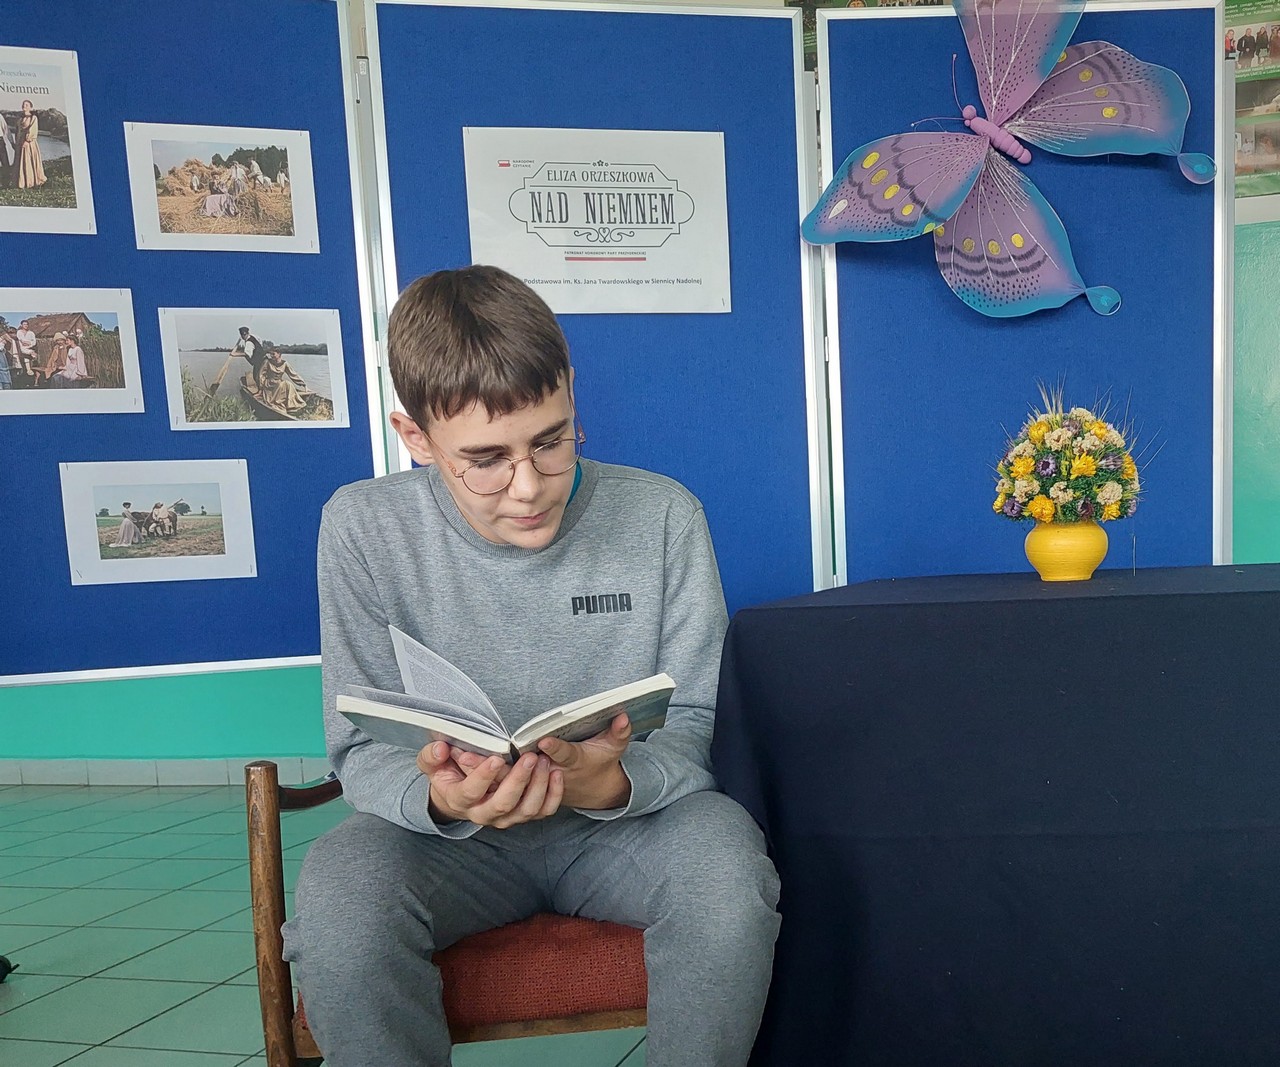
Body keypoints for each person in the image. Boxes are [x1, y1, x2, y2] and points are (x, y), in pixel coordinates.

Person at [281, 265, 781, 1067]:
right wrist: (440, 798)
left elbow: (696, 721)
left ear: (571, 393)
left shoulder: (664, 514)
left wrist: (610, 783)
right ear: (416, 437)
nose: (528, 487)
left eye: (551, 440)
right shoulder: (361, 527)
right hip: (449, 843)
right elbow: (359, 743)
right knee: (341, 890)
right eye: (485, 459)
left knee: (726, 866)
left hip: (628, 829)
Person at [258, 349, 310, 414]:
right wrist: (261, 387)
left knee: (288, 384)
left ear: (279, 354)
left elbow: (293, 374)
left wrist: (304, 385)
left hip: (279, 383)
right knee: (281, 384)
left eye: (273, 354)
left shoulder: (285, 363)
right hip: (269, 384)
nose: (271, 356)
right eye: (270, 354)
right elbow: (261, 375)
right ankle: (279, 403)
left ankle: (291, 406)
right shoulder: (267, 362)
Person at [16, 100, 46, 190]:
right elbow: (18, 131)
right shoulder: (20, 119)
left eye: (26, 105)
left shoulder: (33, 118)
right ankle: (22, 181)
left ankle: (31, 182)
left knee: (29, 161)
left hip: (29, 143)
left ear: (30, 107)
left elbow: (33, 130)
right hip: (20, 142)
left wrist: (27, 140)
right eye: (23, 104)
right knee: (21, 162)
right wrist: (17, 142)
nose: (24, 106)